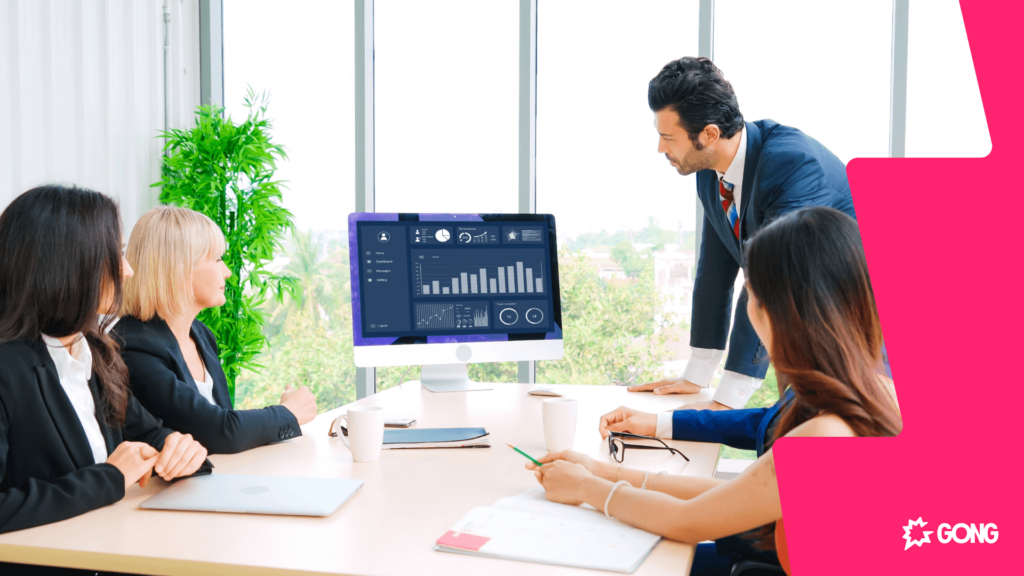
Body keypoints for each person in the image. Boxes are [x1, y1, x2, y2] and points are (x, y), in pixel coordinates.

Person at [528, 207, 901, 575]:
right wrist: (598, 472)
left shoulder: (825, 436)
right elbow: (739, 493)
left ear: (778, 312)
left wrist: (589, 489)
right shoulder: (877, 394)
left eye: (751, 297)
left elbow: (688, 521)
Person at [627, 56, 858, 410]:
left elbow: (766, 281)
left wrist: (728, 395)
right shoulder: (709, 169)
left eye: (668, 138)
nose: (661, 149)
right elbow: (714, 270)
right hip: (801, 318)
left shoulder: (792, 164)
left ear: (709, 134)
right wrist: (697, 373)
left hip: (856, 326)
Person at [0, 186, 209, 544]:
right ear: (67, 264)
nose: (127, 271)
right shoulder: (8, 368)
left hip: (117, 544)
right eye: (114, 255)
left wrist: (178, 448)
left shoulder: (93, 352)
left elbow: (146, 433)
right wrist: (110, 477)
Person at [112, 206, 317, 455]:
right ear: (179, 267)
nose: (227, 272)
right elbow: (219, 431)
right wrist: (289, 413)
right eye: (218, 259)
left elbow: (224, 420)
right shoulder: (133, 347)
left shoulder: (200, 334)